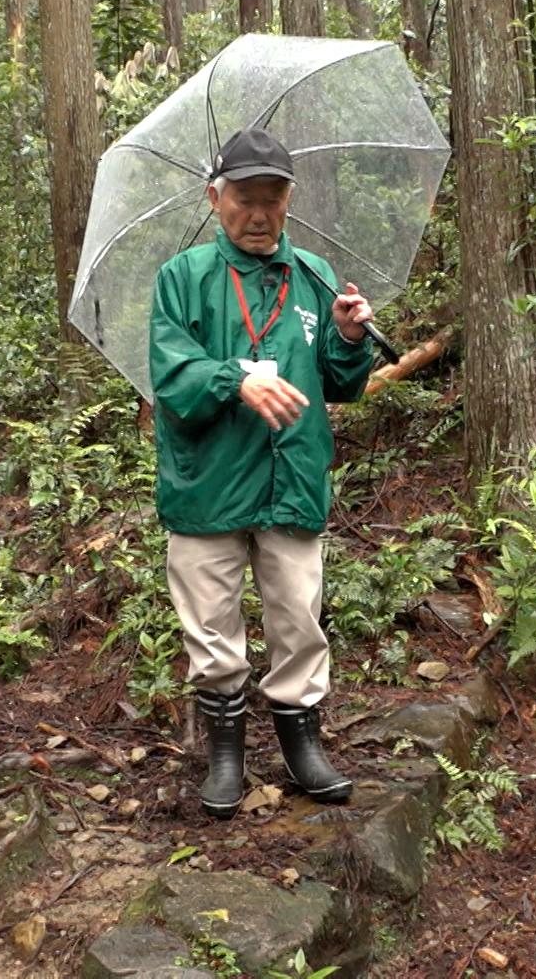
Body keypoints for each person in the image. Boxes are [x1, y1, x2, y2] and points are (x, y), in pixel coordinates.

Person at [147, 127, 377, 818]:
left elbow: (339, 384)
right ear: (215, 199)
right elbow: (170, 373)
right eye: (244, 200)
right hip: (207, 480)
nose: (258, 215)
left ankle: (301, 744)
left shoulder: (313, 275)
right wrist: (232, 379)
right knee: (211, 626)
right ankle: (225, 757)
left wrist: (348, 335)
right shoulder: (183, 278)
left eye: (272, 201)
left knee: (298, 616)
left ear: (289, 202)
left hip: (292, 476)